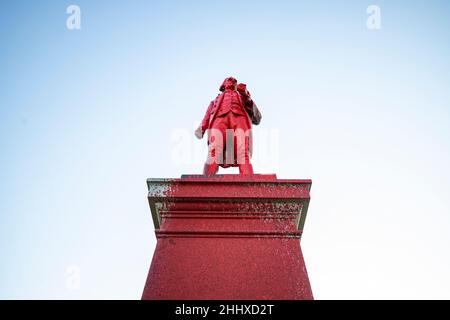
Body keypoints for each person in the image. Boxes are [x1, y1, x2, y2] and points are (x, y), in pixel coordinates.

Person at [195, 77, 262, 176]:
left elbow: (256, 116)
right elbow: (208, 116)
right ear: (223, 85)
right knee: (214, 150)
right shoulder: (215, 101)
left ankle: (248, 178)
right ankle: (207, 179)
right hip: (219, 121)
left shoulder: (242, 96)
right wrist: (201, 129)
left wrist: (245, 94)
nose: (232, 80)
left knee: (243, 151)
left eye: (234, 80)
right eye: (229, 79)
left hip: (240, 120)